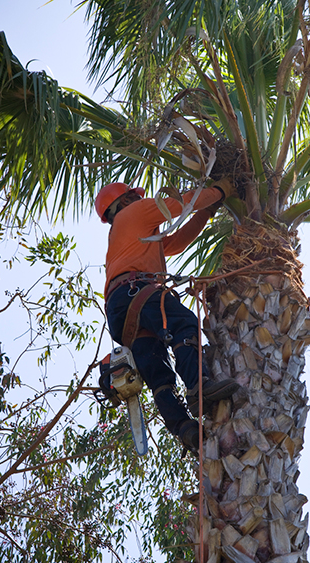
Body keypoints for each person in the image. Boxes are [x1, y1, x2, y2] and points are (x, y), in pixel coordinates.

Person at [96, 181, 239, 452]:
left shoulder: (127, 232)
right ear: (125, 201)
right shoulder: (134, 213)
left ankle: (183, 428)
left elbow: (176, 243)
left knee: (159, 374)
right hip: (135, 291)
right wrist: (221, 190)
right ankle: (199, 386)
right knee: (184, 324)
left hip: (120, 310)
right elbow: (179, 204)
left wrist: (208, 211)